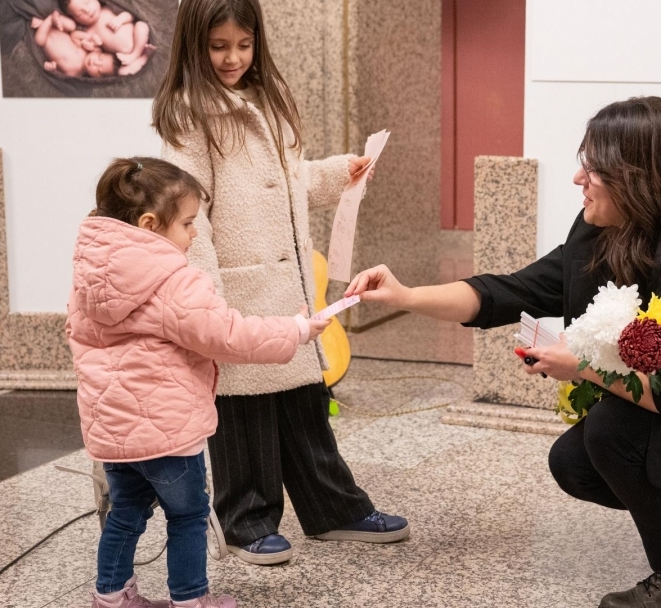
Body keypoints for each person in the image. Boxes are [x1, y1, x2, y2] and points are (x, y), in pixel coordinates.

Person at [346, 97, 661, 608]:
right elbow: (508, 292)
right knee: (575, 462)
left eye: (596, 167)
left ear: (640, 177)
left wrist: (582, 366)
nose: (578, 177)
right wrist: (404, 296)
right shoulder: (604, 233)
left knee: (612, 431)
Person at [151, 0, 408, 567]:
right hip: (236, 288)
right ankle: (245, 520)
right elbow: (190, 212)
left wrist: (340, 172)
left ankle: (333, 508)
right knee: (243, 409)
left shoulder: (266, 98)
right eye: (219, 46)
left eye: (243, 45)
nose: (232, 58)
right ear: (195, 45)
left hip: (284, 282)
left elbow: (287, 184)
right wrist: (207, 293)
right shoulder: (189, 115)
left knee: (302, 404)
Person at [67, 157, 331, 608]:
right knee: (188, 515)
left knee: (125, 513)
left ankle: (110, 596)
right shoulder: (174, 280)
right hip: (168, 431)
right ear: (150, 224)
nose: (193, 234)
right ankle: (191, 599)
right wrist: (295, 330)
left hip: (112, 429)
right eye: (188, 223)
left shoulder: (90, 276)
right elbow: (228, 335)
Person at [61, 0, 153, 69]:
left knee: (141, 26)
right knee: (122, 72)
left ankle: (135, 54)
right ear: (75, 19)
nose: (87, 10)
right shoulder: (88, 32)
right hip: (123, 57)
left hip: (136, 37)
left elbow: (131, 15)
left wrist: (120, 20)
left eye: (87, 2)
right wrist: (92, 46)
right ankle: (143, 58)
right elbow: (98, 51)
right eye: (80, 14)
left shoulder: (107, 8)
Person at [31, 10, 120, 77]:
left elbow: (59, 75)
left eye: (99, 70)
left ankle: (46, 22)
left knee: (39, 41)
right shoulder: (84, 51)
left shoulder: (74, 75)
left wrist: (51, 68)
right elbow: (73, 35)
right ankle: (50, 20)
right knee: (72, 25)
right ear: (98, 52)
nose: (95, 62)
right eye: (100, 58)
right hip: (58, 28)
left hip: (45, 39)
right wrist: (87, 38)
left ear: (97, 78)